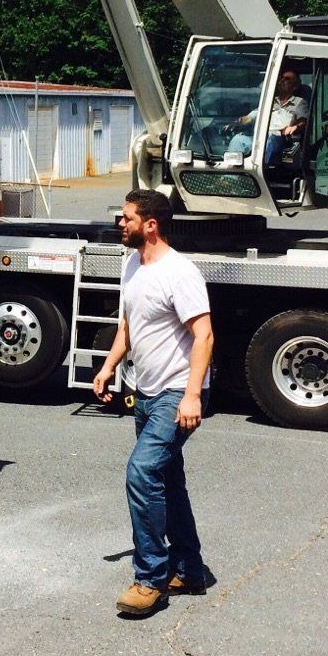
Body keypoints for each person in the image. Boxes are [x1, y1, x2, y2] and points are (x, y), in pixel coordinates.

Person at [92, 189, 214, 617]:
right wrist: (108, 367)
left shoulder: (180, 273)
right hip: (145, 393)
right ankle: (189, 569)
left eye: (125, 218)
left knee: (141, 474)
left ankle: (150, 580)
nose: (119, 224)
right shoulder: (132, 264)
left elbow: (204, 335)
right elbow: (129, 325)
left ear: (151, 224)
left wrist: (193, 395)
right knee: (167, 482)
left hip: (176, 394)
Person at [227, 69, 307, 164]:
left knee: (270, 140)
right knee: (238, 139)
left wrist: (294, 126)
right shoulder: (269, 100)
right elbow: (252, 116)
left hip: (281, 138)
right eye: (281, 78)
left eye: (287, 79)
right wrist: (237, 122)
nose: (282, 81)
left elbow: (303, 120)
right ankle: (231, 177)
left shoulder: (299, 102)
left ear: (295, 86)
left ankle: (260, 169)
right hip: (261, 136)